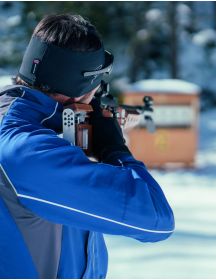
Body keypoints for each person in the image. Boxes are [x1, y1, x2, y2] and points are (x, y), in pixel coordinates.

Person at [0, 14, 175, 278]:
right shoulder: (29, 151)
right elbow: (157, 220)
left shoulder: (19, 124)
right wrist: (115, 149)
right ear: (83, 89)